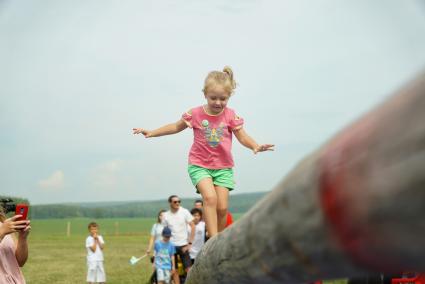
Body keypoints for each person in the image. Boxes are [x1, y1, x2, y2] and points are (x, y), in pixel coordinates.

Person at [133, 66, 274, 238]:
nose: (218, 102)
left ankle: (219, 240)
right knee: (210, 199)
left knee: (222, 208)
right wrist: (152, 132)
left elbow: (242, 136)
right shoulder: (195, 113)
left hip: (223, 167)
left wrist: (255, 145)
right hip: (199, 165)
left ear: (229, 97)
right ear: (205, 94)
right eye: (213, 98)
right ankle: (213, 238)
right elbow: (175, 127)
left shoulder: (230, 115)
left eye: (223, 99)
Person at [162, 195, 195, 284]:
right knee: (174, 270)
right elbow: (164, 232)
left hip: (183, 245)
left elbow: (192, 226)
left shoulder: (184, 212)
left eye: (179, 201)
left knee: (189, 269)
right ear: (170, 203)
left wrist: (190, 243)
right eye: (175, 202)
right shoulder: (165, 215)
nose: (177, 203)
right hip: (171, 246)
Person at [0, 209, 30, 284]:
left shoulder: (4, 223)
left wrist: (22, 237)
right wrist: (2, 233)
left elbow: (20, 261)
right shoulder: (4, 228)